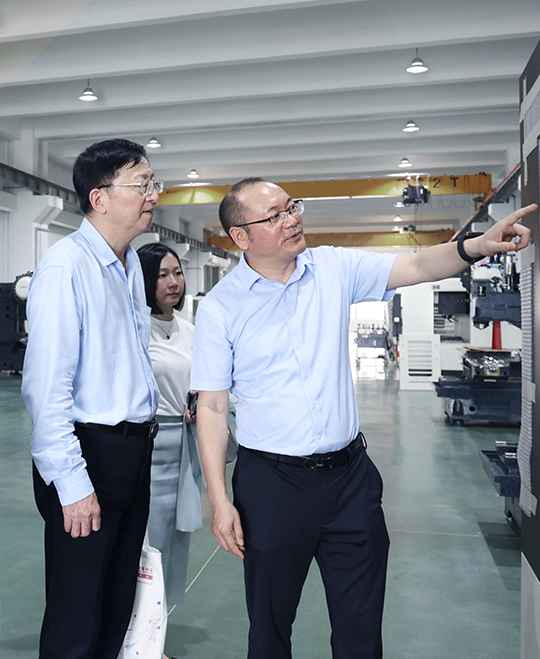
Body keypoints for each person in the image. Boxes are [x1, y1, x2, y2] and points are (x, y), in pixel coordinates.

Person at [190, 177, 537, 659]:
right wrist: (219, 500)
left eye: (292, 207)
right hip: (270, 485)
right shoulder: (221, 307)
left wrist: (475, 246)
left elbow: (417, 264)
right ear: (240, 236)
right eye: (275, 216)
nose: (292, 220)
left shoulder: (333, 267)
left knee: (360, 630)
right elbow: (211, 406)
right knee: (269, 629)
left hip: (349, 481)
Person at [22, 138, 163, 659]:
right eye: (141, 184)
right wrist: (72, 484)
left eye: (153, 183)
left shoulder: (128, 265)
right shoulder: (67, 267)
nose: (153, 194)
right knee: (76, 617)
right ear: (99, 198)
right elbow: (46, 387)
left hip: (131, 452)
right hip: (88, 456)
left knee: (115, 605)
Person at [137, 242, 202, 616]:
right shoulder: (134, 329)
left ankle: (155, 622)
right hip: (149, 445)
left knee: (175, 537)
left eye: (177, 273)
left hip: (184, 446)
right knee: (146, 539)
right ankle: (134, 624)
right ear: (145, 279)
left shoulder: (188, 330)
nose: (173, 282)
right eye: (162, 275)